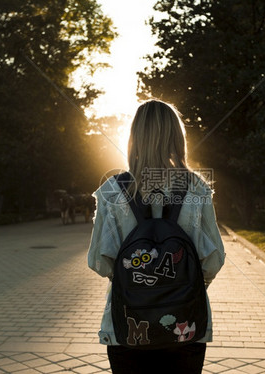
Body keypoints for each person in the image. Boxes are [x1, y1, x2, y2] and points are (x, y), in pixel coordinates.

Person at [87, 99, 225, 374]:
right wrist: (178, 284)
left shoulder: (112, 191)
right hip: (185, 325)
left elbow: (98, 262)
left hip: (128, 326)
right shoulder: (196, 187)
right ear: (177, 137)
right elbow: (213, 260)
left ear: (134, 138)